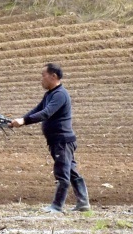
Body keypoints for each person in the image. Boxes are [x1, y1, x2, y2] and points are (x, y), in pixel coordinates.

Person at [9, 63, 91, 213]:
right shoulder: (50, 94)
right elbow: (37, 110)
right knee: (71, 171)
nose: (41, 79)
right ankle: (83, 203)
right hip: (59, 141)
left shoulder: (60, 94)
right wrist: (20, 120)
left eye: (43, 75)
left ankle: (57, 206)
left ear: (53, 76)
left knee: (62, 172)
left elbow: (46, 113)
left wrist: (24, 121)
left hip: (62, 141)